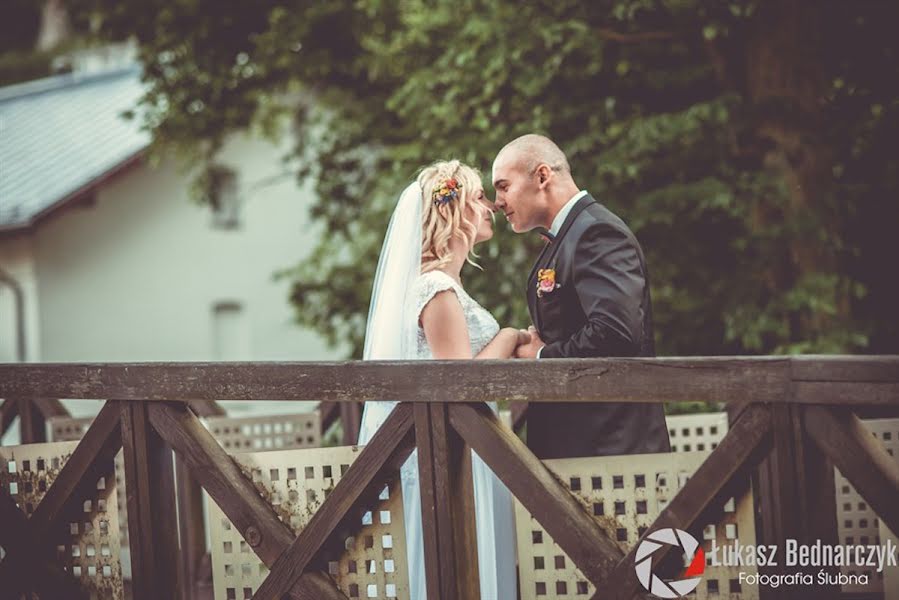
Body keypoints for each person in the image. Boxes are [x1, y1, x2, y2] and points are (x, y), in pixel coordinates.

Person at [358, 159, 521, 600]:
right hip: (451, 455)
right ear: (453, 212)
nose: (489, 207)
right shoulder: (436, 289)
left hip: (463, 449)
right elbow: (461, 384)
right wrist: (508, 338)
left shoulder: (441, 285)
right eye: (478, 198)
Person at [492, 134, 671, 458]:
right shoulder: (566, 236)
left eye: (503, 186)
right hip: (579, 442)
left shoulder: (596, 232)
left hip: (611, 449)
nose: (497, 202)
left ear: (542, 176)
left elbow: (616, 332)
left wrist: (542, 356)